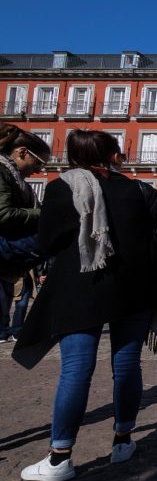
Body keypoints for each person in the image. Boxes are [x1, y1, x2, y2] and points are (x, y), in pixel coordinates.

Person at [14, 129, 157, 481]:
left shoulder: (61, 187)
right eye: (119, 151)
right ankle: (123, 442)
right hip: (133, 290)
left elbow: (48, 242)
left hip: (82, 290)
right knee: (127, 366)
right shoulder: (137, 189)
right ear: (111, 156)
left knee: (76, 370)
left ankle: (59, 458)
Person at [0, 125, 50, 342]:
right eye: (38, 162)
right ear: (21, 152)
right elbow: (3, 214)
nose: (39, 170)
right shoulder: (2, 171)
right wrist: (44, 213)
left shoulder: (16, 178)